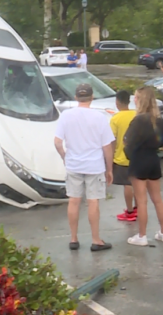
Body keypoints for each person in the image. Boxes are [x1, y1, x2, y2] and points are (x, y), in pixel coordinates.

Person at [54, 83, 115, 252]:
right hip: (94, 165)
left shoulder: (66, 116)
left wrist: (65, 157)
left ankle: (73, 238)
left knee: (73, 200)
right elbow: (107, 147)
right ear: (92, 97)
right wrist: (109, 168)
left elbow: (57, 142)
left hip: (74, 164)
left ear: (75, 98)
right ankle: (96, 240)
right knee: (92, 201)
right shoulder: (99, 117)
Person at [125, 86, 163, 247]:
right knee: (157, 199)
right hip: (153, 159)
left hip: (139, 159)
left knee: (141, 200)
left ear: (140, 100)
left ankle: (142, 235)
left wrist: (128, 155)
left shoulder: (138, 120)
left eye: (136, 97)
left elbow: (128, 142)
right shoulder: (157, 119)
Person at [110, 90, 138, 221]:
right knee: (138, 183)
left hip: (122, 157)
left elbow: (112, 139)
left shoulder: (115, 118)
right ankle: (139, 208)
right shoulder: (136, 114)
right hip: (138, 155)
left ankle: (130, 211)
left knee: (128, 184)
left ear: (117, 102)